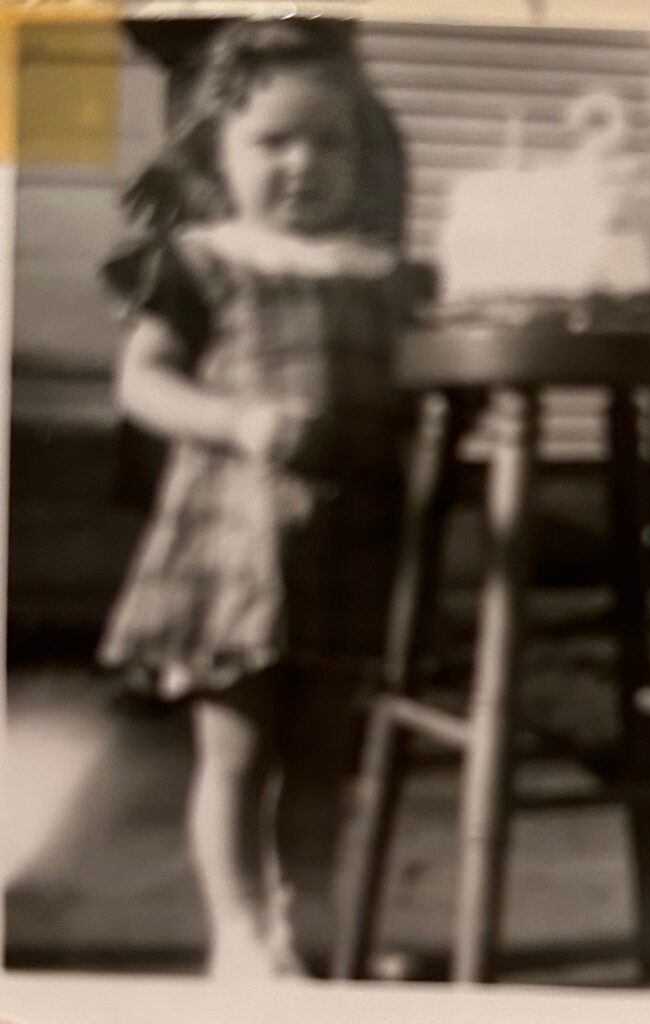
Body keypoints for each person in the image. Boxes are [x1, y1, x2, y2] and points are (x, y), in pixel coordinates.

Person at [98, 18, 406, 979]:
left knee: (325, 752)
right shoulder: (203, 261)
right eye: (274, 141)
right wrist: (233, 423)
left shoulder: (382, 277)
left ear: (365, 153)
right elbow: (142, 382)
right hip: (231, 548)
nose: (304, 163)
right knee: (236, 750)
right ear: (218, 150)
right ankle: (236, 931)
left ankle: (303, 914)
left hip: (353, 541)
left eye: (331, 140)